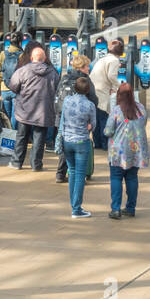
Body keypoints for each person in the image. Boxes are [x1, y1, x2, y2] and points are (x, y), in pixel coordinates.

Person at [7, 46, 58, 171]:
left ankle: (16, 162)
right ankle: (36, 164)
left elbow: (13, 86)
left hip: (25, 110)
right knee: (39, 139)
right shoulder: (52, 72)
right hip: (43, 111)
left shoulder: (23, 71)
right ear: (45, 58)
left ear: (31, 58)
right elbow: (56, 87)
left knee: (21, 137)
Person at [104, 82, 148, 219]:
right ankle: (130, 207)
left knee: (116, 178)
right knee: (132, 178)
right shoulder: (141, 109)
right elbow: (143, 124)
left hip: (118, 152)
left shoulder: (117, 110)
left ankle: (115, 209)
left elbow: (108, 131)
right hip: (136, 151)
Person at [58, 76, 97, 218]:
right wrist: (88, 126)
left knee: (72, 171)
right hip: (81, 142)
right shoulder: (90, 105)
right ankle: (76, 208)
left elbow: (63, 118)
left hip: (67, 140)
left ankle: (73, 204)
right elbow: (93, 125)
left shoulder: (67, 101)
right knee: (80, 174)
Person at [54, 54, 96, 184]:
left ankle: (60, 174)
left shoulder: (64, 78)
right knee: (80, 146)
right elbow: (93, 99)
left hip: (62, 118)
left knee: (65, 145)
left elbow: (57, 97)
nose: (89, 68)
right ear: (82, 67)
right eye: (87, 66)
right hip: (80, 120)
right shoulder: (85, 80)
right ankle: (80, 176)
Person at [88, 39, 124, 149]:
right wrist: (119, 86)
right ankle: (105, 144)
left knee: (97, 118)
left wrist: (113, 87)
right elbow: (111, 76)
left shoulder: (103, 59)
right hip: (102, 91)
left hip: (94, 89)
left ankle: (97, 143)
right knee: (104, 117)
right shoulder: (114, 61)